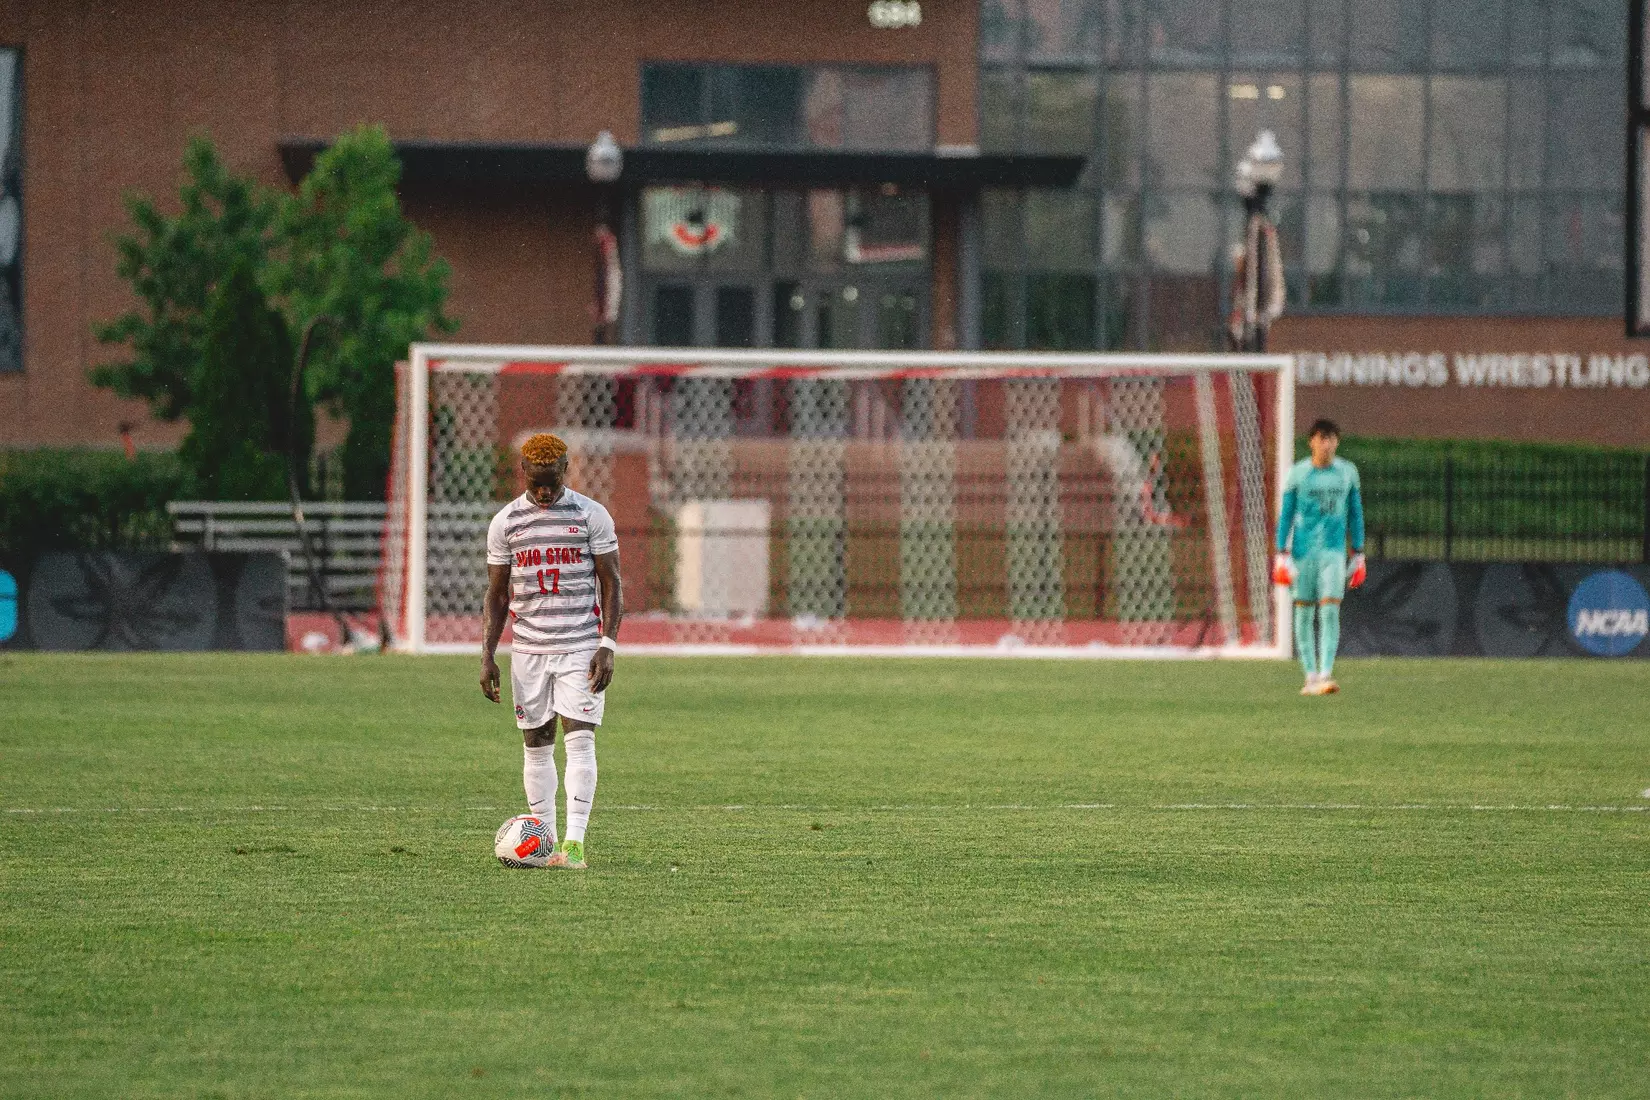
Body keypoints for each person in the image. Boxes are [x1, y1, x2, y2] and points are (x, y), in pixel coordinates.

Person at [480, 433, 623, 869]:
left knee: (579, 739)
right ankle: (544, 844)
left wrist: (607, 644)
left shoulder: (591, 515)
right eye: (536, 483)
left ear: (565, 470)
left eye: (552, 482)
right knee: (537, 745)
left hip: (580, 645)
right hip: (529, 650)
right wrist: (487, 654)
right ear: (523, 472)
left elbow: (612, 582)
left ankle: (574, 846)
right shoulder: (506, 522)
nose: (544, 492)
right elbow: (497, 594)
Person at [1274, 419, 1365, 696]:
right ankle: (1310, 675)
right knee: (1304, 612)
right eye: (1322, 438)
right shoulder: (1298, 474)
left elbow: (1355, 513)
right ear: (1311, 441)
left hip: (1333, 553)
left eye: (1332, 438)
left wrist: (1358, 552)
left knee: (1329, 609)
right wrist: (1281, 553)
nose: (1327, 444)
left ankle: (1325, 673)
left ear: (1337, 442)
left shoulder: (1347, 472)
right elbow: (1286, 515)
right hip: (1303, 553)